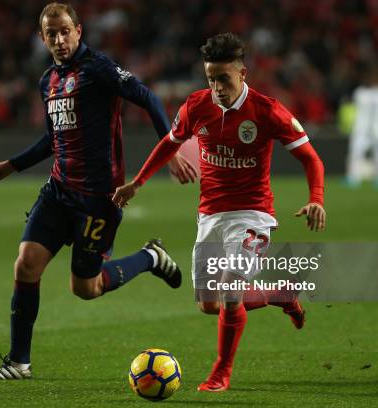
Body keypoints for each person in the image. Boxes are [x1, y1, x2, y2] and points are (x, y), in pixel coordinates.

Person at [0, 2, 197, 381]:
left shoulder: (98, 69)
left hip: (99, 199)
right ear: (43, 38)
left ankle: (149, 257)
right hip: (59, 190)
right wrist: (10, 166)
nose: (60, 39)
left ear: (79, 31)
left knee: (86, 288)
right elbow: (53, 137)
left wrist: (171, 147)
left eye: (65, 31)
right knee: (26, 263)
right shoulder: (47, 80)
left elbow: (149, 98)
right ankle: (19, 362)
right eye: (52, 34)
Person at [113, 33, 326, 392]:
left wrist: (316, 197)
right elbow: (170, 143)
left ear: (242, 73)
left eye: (224, 78)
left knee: (229, 292)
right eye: (211, 78)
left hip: (252, 216)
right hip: (211, 216)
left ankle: (220, 373)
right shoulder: (196, 106)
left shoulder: (268, 110)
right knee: (210, 304)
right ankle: (281, 294)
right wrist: (137, 183)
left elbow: (309, 157)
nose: (217, 87)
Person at [346, 68, 378, 188]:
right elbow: (354, 111)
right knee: (356, 151)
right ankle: (353, 178)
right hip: (361, 129)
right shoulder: (359, 92)